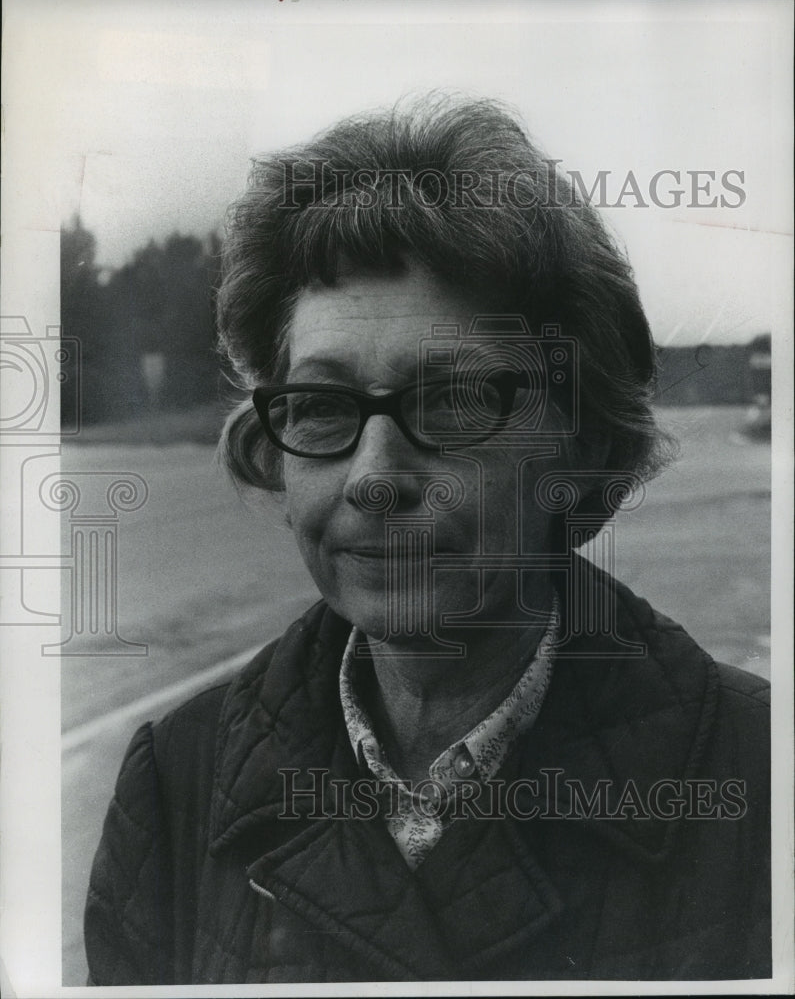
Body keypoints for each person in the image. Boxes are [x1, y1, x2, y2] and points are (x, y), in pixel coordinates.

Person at [84, 96, 770, 984]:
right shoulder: (179, 779)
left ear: (582, 441)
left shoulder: (758, 778)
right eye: (323, 407)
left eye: (451, 401)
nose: (373, 475)